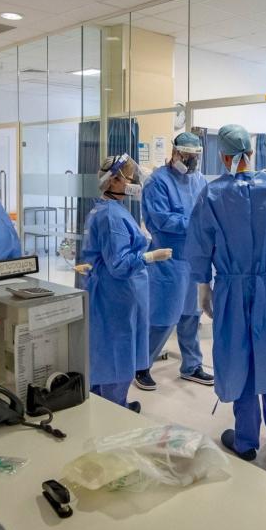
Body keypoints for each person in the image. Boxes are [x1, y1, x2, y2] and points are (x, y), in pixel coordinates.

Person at [186, 124, 266, 461]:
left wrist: (203, 287)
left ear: (221, 156)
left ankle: (246, 439)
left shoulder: (212, 193)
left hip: (232, 289)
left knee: (240, 359)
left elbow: (200, 246)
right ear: (251, 152)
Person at [76, 155, 171, 410]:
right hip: (117, 294)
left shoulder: (108, 208)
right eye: (130, 178)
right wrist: (150, 255)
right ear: (115, 180)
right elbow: (119, 264)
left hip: (112, 292)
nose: (134, 183)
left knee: (107, 352)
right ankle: (114, 410)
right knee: (118, 354)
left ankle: (105, 403)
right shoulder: (111, 216)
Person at [136, 132, 214, 390]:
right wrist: (195, 224)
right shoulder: (157, 182)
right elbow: (160, 220)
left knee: (191, 316)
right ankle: (141, 365)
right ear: (176, 152)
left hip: (193, 260)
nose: (191, 161)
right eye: (188, 156)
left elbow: (206, 212)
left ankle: (192, 366)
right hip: (167, 259)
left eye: (195, 157)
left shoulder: (198, 180)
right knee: (163, 318)